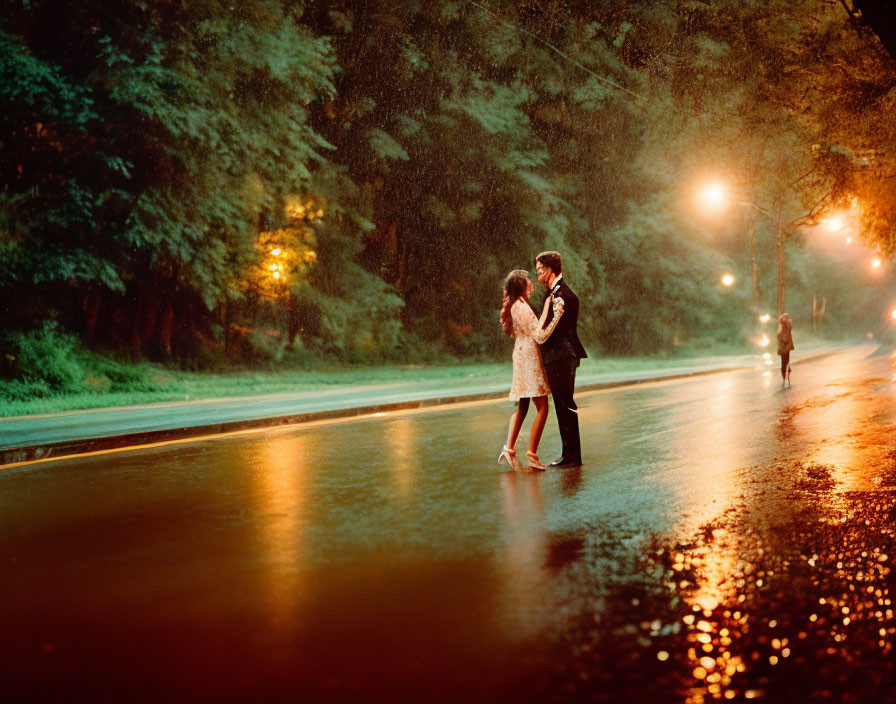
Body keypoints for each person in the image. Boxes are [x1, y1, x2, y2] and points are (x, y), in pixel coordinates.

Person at [498, 269, 565, 471]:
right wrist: (555, 316)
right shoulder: (522, 308)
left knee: (523, 405)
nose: (531, 283)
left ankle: (509, 449)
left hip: (522, 354)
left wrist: (544, 308)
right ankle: (532, 454)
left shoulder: (517, 305)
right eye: (528, 281)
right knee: (543, 406)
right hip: (528, 357)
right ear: (521, 285)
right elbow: (540, 335)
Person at [535, 251, 587, 467]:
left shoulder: (562, 296)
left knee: (564, 404)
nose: (537, 273)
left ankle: (572, 456)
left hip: (562, 356)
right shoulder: (556, 294)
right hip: (560, 356)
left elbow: (553, 332)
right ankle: (569, 453)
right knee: (561, 404)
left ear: (550, 269)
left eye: (540, 269)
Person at [777, 312, 794, 387]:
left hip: (785, 345)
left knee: (785, 360)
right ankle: (785, 375)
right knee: (785, 360)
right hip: (784, 345)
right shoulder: (784, 326)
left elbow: (779, 335)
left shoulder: (786, 326)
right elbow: (779, 335)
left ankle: (785, 376)